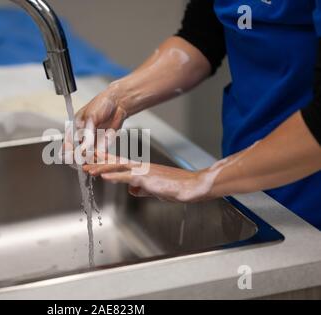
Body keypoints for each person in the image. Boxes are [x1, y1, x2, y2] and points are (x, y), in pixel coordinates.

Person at [76, 1, 321, 228]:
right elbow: (202, 37)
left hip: (309, 187)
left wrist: (201, 181)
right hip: (247, 172)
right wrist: (120, 98)